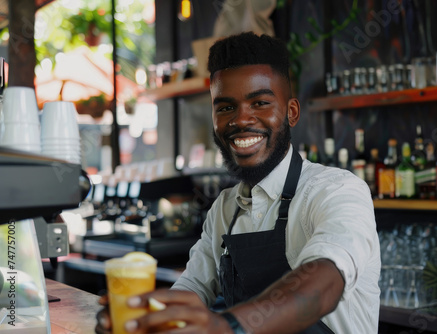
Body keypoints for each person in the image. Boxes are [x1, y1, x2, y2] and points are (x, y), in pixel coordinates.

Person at [96, 31, 380, 334]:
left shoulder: (335, 190)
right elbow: (191, 288)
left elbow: (322, 282)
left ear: (291, 113)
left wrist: (230, 326)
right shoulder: (224, 209)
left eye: (259, 103)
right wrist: (146, 319)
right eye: (225, 107)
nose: (241, 120)